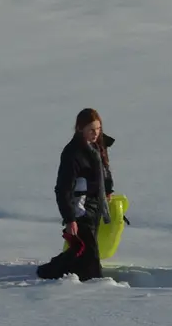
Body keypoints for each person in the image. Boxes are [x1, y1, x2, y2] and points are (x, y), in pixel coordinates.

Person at [38, 108, 117, 281]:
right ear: (80, 128)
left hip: (95, 206)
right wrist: (70, 218)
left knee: (82, 253)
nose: (96, 133)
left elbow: (104, 171)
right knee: (91, 267)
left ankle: (49, 271)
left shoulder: (97, 145)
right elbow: (63, 189)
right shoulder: (72, 154)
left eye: (98, 129)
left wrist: (108, 189)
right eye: (91, 129)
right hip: (80, 211)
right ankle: (51, 274)